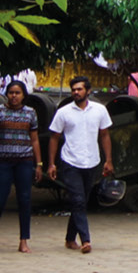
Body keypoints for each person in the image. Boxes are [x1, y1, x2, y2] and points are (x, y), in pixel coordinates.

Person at [47, 77, 113, 254]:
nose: (76, 92)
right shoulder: (64, 112)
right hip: (70, 161)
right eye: (74, 90)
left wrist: (108, 160)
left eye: (80, 89)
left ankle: (70, 238)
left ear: (88, 91)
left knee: (81, 200)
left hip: (91, 161)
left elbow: (105, 135)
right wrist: (51, 164)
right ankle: (86, 239)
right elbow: (54, 138)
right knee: (77, 200)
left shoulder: (99, 110)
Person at [0, 80, 43, 252]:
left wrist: (39, 164)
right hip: (2, 161)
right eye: (11, 92)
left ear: (23, 95)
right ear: (7, 94)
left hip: (24, 161)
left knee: (25, 199)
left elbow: (34, 139)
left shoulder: (30, 113)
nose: (14, 96)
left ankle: (24, 239)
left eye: (18, 93)